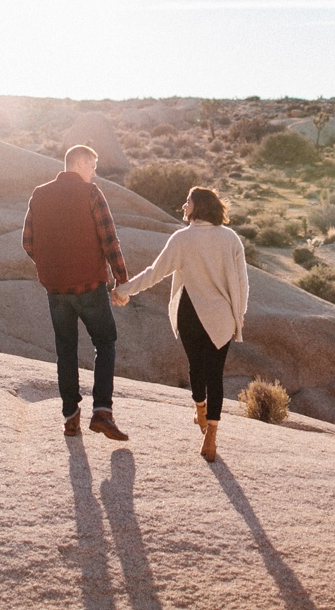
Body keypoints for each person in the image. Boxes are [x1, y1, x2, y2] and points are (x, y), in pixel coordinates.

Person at [113, 186, 248, 462]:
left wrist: (125, 289)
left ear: (197, 206)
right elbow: (243, 283)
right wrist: (239, 316)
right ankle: (211, 436)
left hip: (191, 313)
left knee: (196, 367)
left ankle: (199, 407)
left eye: (187, 202)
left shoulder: (182, 239)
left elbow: (154, 273)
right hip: (221, 317)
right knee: (216, 375)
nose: (183, 206)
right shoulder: (231, 238)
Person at [23, 145, 131, 440]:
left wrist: (51, 268)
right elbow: (110, 241)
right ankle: (102, 412)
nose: (94, 172)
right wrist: (122, 281)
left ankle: (71, 419)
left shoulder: (40, 194)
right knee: (105, 342)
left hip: (56, 289)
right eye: (93, 165)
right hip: (90, 287)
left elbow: (28, 242)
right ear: (80, 163)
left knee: (66, 350)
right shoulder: (91, 193)